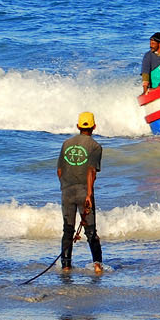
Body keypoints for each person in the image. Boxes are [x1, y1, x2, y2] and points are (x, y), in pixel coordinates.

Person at [56, 111, 103, 272]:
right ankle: (97, 265)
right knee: (90, 232)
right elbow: (91, 171)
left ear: (78, 126)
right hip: (84, 192)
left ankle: (66, 266)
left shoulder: (66, 144)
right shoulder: (95, 146)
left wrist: (65, 187)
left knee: (68, 230)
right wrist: (89, 194)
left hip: (67, 192)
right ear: (94, 127)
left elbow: (60, 171)